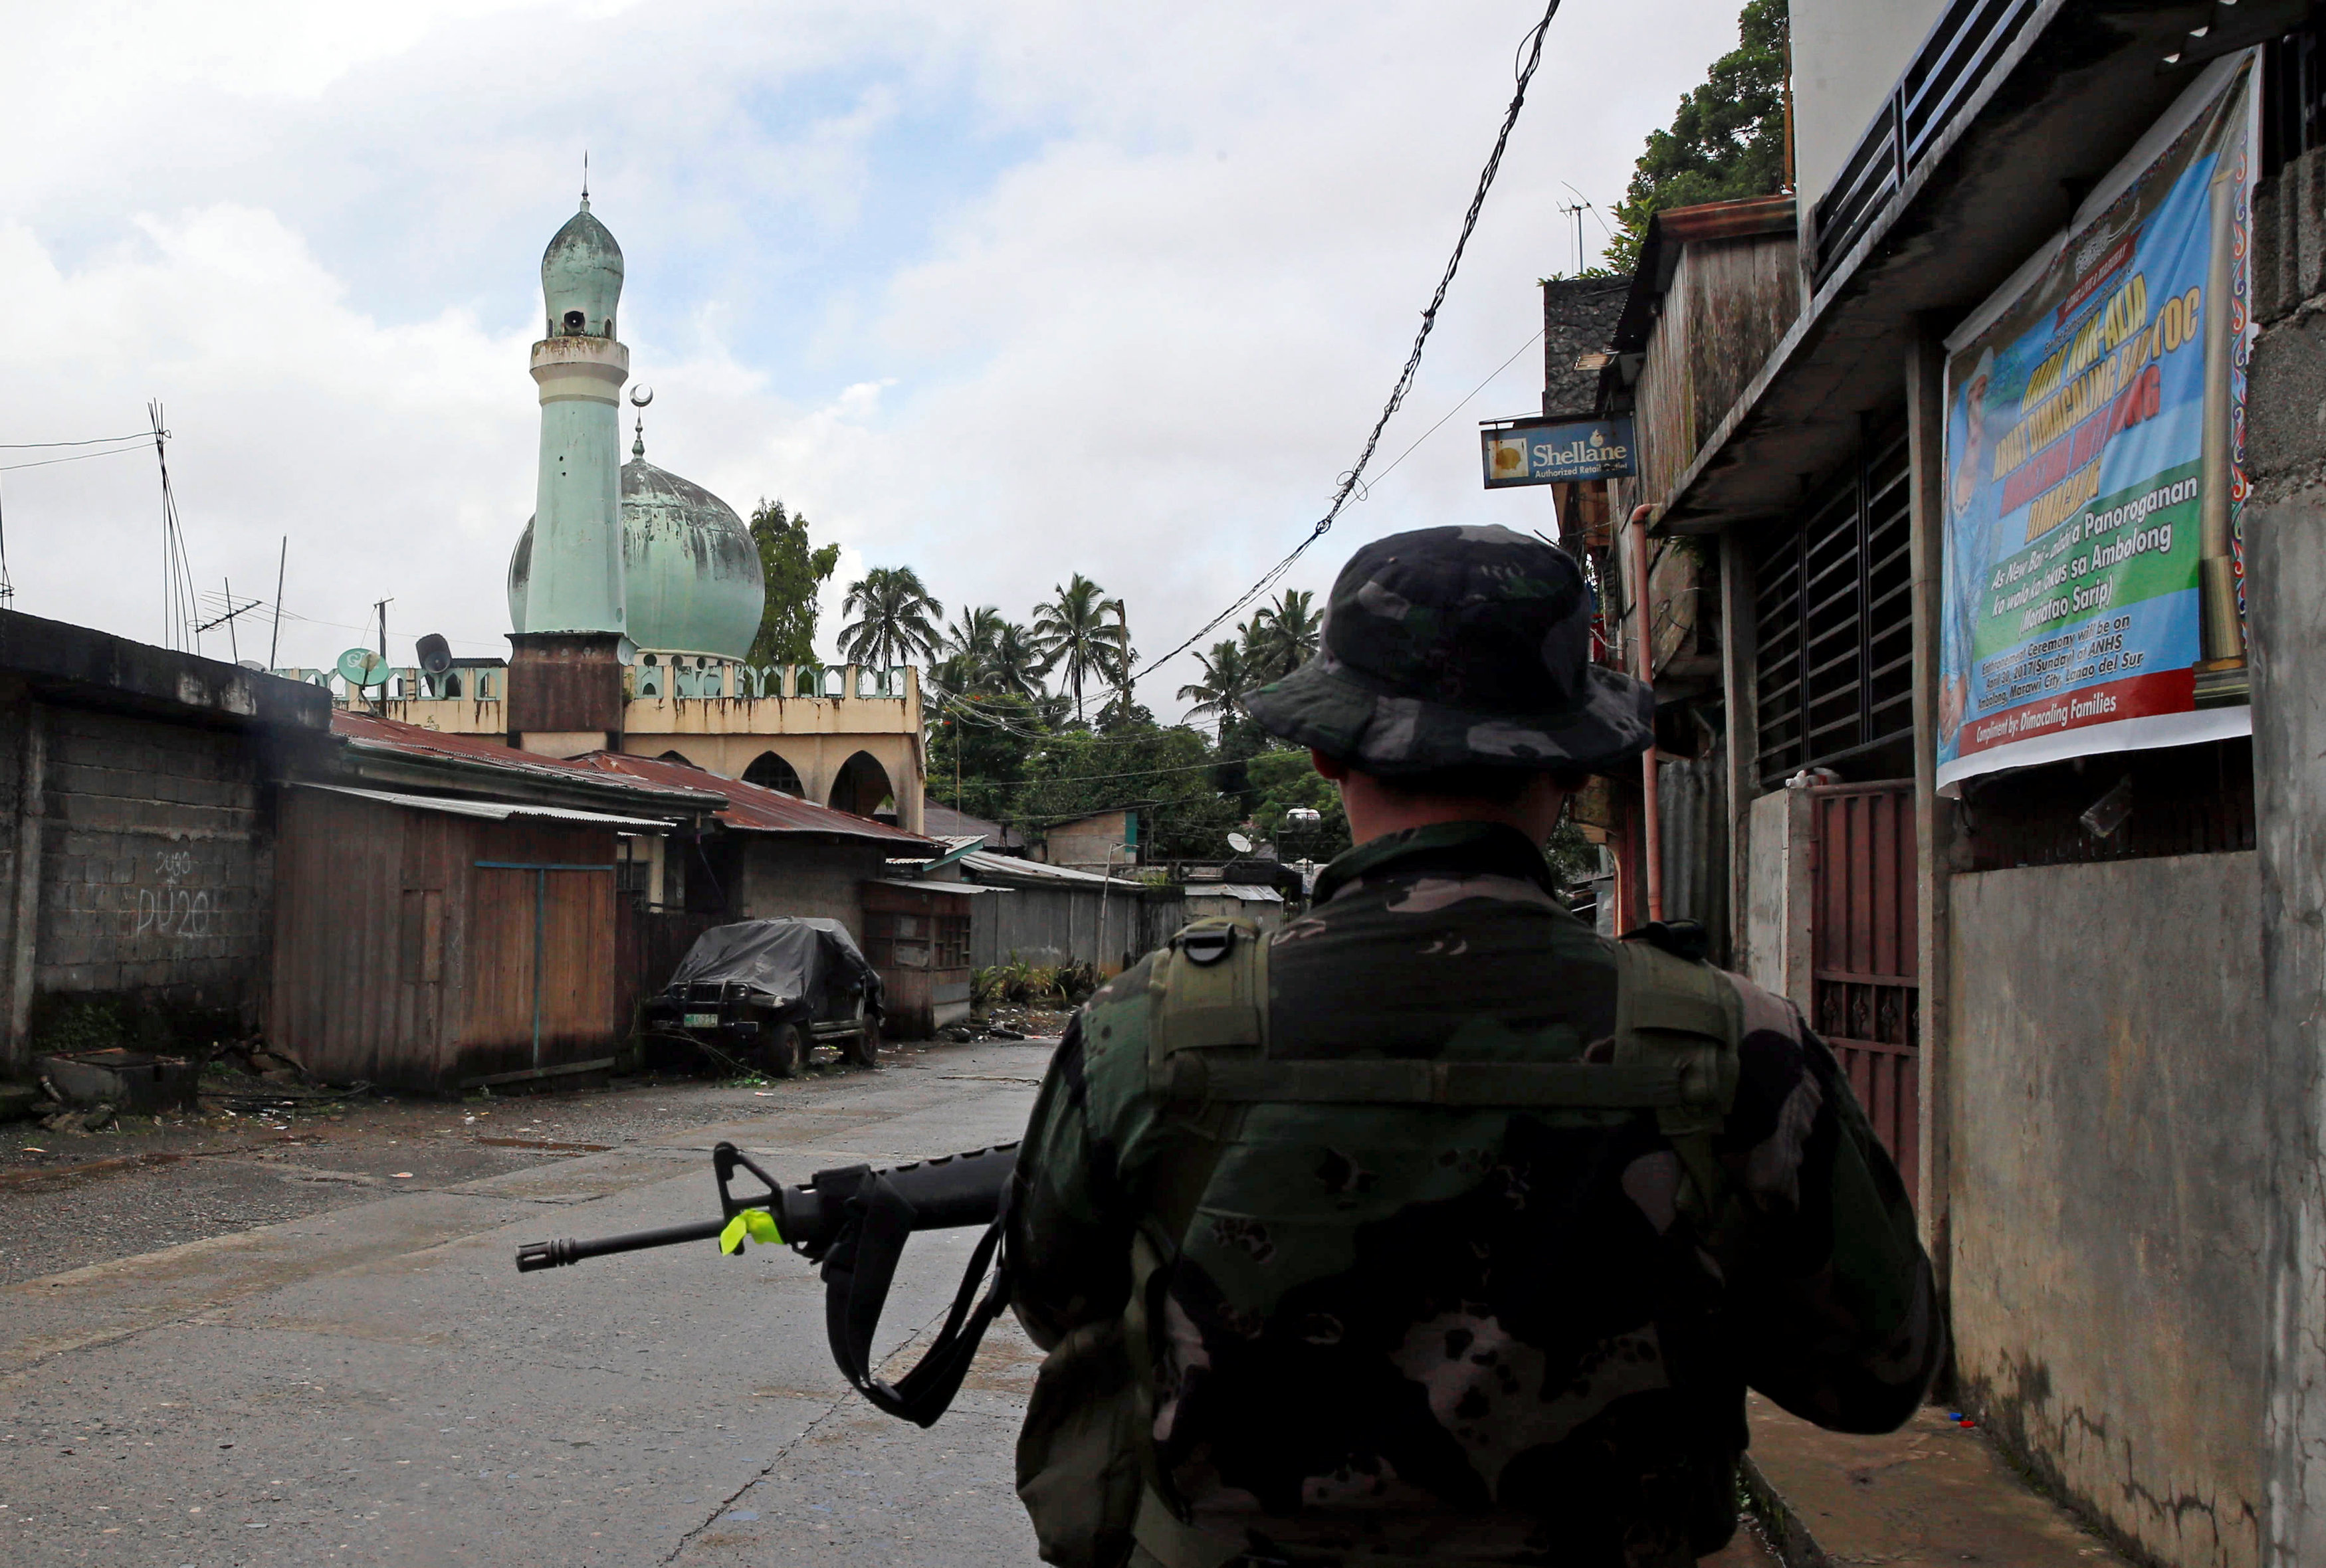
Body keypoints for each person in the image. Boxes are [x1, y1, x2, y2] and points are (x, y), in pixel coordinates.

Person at [1007, 524, 1942, 1568]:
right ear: (1576, 759)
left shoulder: (1146, 1028)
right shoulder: (1733, 1045)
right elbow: (1876, 1375)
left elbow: (1057, 1303)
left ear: (1326, 749)